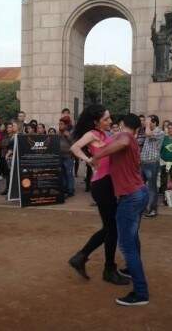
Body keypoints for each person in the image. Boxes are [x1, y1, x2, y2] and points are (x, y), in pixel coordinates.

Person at [91, 113, 150, 306]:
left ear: (123, 125)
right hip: (139, 193)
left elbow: (123, 141)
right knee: (133, 238)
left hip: (131, 197)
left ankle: (140, 293)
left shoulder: (127, 137)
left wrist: (97, 155)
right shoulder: (131, 139)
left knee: (127, 246)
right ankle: (132, 270)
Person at [68, 104, 129, 285]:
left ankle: (83, 257)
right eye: (106, 119)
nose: (110, 121)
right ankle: (107, 269)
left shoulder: (104, 135)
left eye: (110, 118)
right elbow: (75, 147)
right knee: (112, 228)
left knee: (111, 227)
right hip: (101, 185)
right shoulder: (93, 134)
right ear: (96, 122)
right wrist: (88, 160)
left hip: (108, 183)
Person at [140, 115, 165, 218]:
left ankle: (152, 210)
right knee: (141, 187)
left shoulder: (159, 132)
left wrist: (147, 124)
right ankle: (145, 208)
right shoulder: (148, 130)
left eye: (149, 121)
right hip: (144, 162)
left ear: (154, 122)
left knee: (152, 187)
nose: (146, 123)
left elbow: (148, 134)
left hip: (152, 163)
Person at [59, 117, 75, 198]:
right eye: (59, 124)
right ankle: (64, 189)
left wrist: (68, 136)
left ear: (66, 125)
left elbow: (74, 144)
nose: (59, 125)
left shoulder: (70, 133)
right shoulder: (59, 133)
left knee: (69, 174)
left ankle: (70, 190)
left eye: (61, 124)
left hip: (68, 157)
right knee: (62, 173)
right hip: (60, 156)